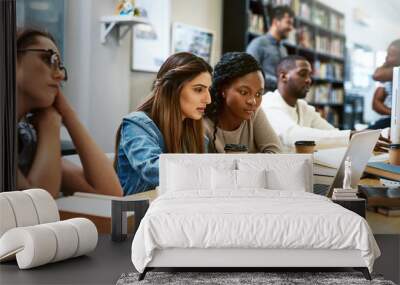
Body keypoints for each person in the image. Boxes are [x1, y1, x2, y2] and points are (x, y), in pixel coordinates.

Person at [16, 28, 122, 197]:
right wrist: (51, 125)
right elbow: (37, 205)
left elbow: (109, 192)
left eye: (59, 65)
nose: (58, 75)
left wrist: (67, 114)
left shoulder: (26, 136)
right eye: (47, 58)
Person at [114, 52, 212, 195]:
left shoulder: (199, 138)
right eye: (198, 89)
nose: (208, 99)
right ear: (172, 89)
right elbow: (153, 171)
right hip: (140, 215)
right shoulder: (136, 125)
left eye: (208, 90)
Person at [261, 55, 351, 149]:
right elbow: (294, 136)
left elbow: (332, 133)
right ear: (284, 77)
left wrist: (355, 137)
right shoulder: (269, 103)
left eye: (309, 75)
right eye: (303, 74)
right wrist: (349, 136)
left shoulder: (303, 107)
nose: (309, 80)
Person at [204, 52, 282, 153]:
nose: (253, 101)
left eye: (258, 94)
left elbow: (277, 154)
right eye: (244, 92)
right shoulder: (203, 123)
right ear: (223, 89)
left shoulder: (254, 112)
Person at [246, 5, 294, 92]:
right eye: (288, 23)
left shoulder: (284, 50)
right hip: (264, 100)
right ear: (276, 22)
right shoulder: (258, 44)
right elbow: (250, 73)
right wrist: (280, 82)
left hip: (281, 99)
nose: (291, 28)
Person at [369, 39, 400, 129]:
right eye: (387, 54)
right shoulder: (389, 75)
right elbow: (375, 103)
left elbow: (376, 75)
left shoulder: (396, 71)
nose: (387, 58)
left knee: (361, 136)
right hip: (391, 119)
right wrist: (394, 113)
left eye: (392, 55)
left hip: (392, 121)